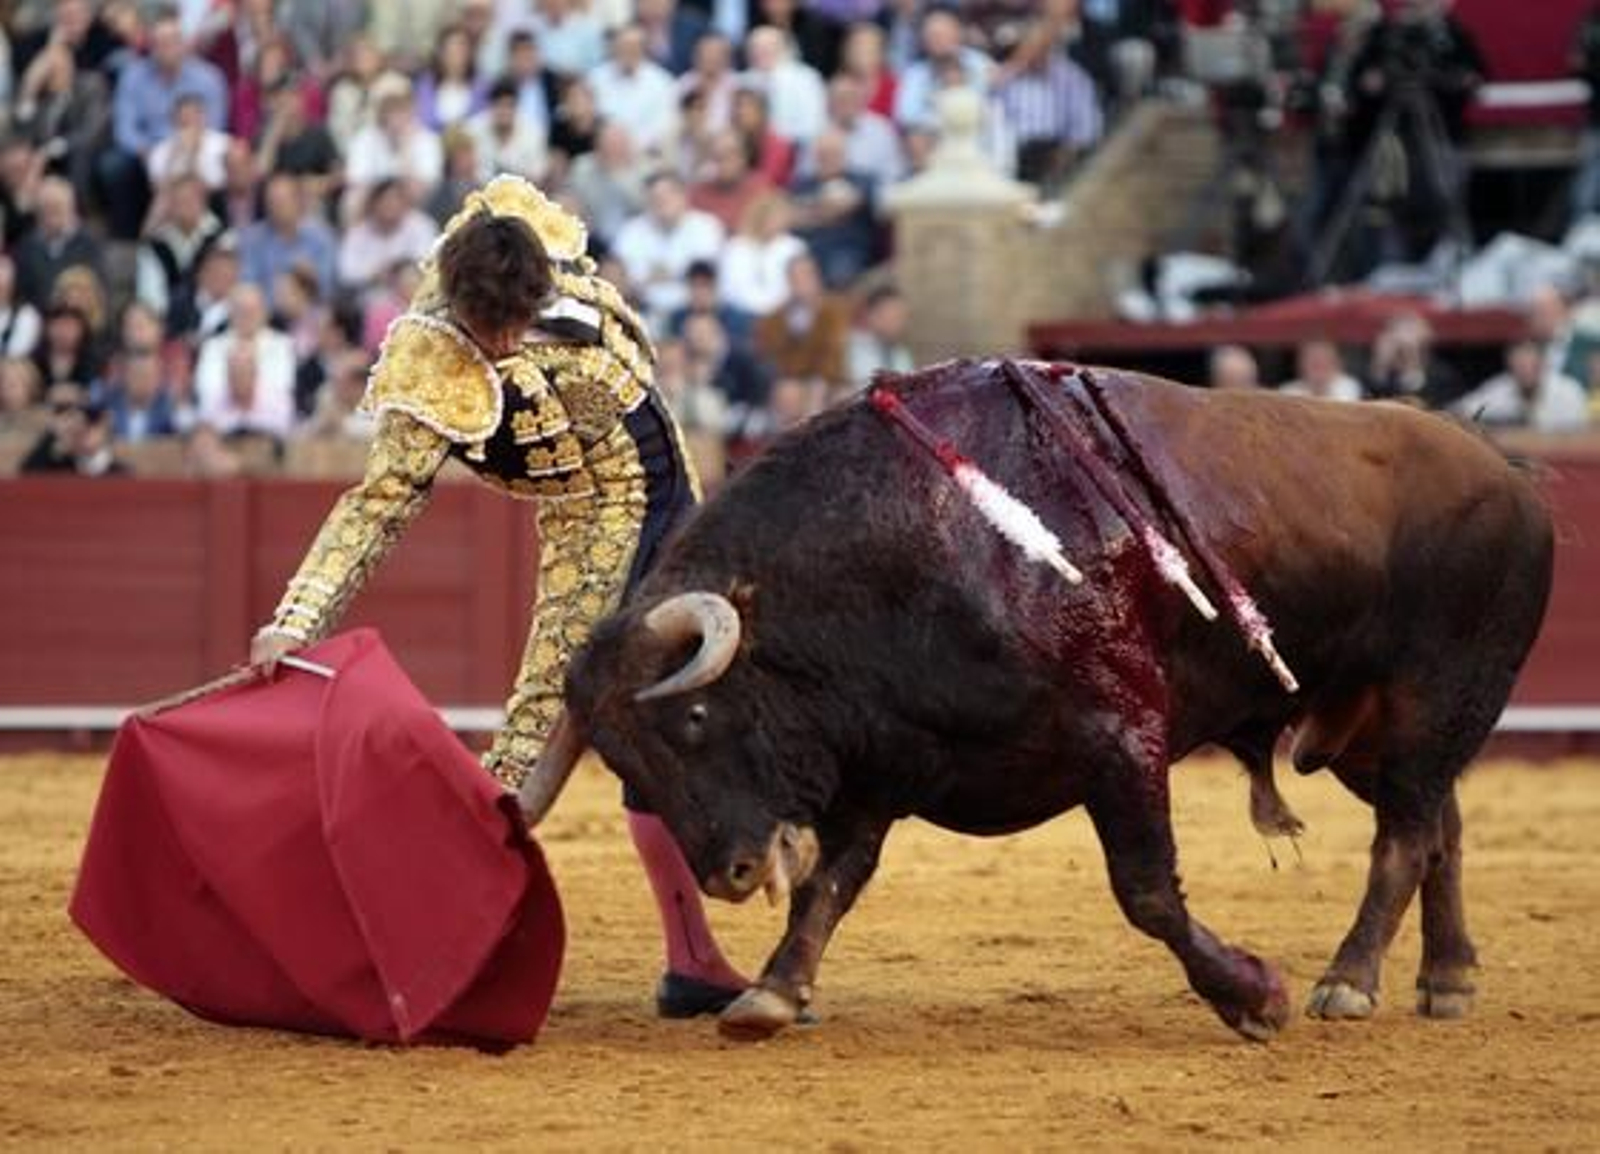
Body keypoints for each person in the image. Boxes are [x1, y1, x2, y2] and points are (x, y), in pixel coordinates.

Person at [247, 175, 748, 1017]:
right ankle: (396, 942)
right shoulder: (432, 366)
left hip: (678, 500)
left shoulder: (531, 250)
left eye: (521, 318)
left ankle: (694, 962)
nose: (511, 341)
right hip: (596, 527)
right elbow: (377, 506)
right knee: (529, 753)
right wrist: (295, 619)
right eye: (495, 329)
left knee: (674, 723)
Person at [1452, 339, 1590, 433]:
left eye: (1531, 366)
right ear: (1510, 366)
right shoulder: (1499, 389)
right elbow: (1460, 410)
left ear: (1543, 364)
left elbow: (1582, 434)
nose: (1526, 372)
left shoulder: (1569, 391)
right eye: (1520, 367)